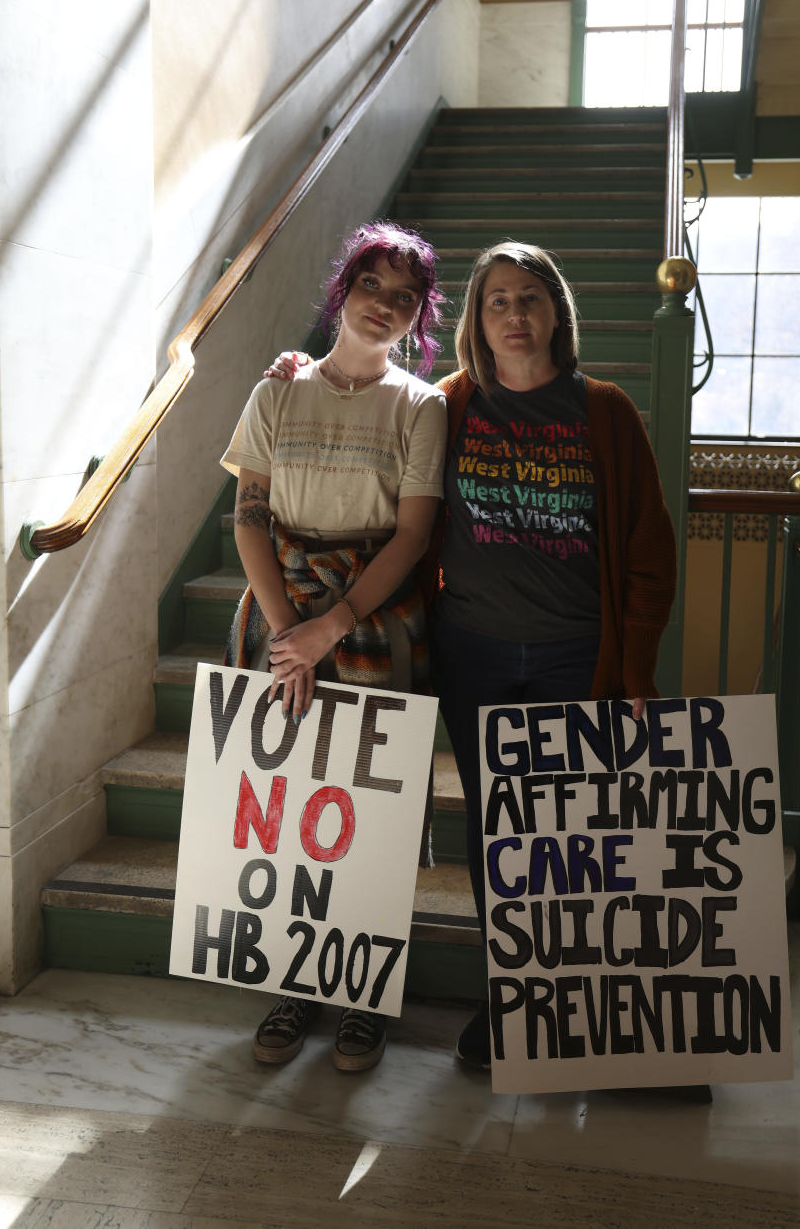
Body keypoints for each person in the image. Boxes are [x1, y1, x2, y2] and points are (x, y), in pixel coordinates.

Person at [267, 239, 676, 1073]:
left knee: (570, 837)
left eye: (529, 297)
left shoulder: (606, 412)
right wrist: (297, 367)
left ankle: (575, 1011)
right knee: (500, 836)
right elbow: (366, 396)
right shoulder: (447, 404)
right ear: (476, 325)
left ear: (556, 310)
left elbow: (648, 554)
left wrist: (636, 672)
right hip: (474, 655)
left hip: (575, 657)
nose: (515, 314)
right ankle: (510, 1005)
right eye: (496, 301)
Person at [222, 220, 446, 1074]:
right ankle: (296, 981)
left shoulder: (421, 406)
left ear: (418, 316)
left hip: (373, 621)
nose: (383, 305)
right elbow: (249, 514)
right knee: (287, 814)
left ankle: (365, 995)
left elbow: (414, 535)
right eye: (371, 285)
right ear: (341, 289)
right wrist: (288, 633)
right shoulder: (275, 392)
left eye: (404, 296)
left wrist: (332, 625)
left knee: (373, 816)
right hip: (280, 612)